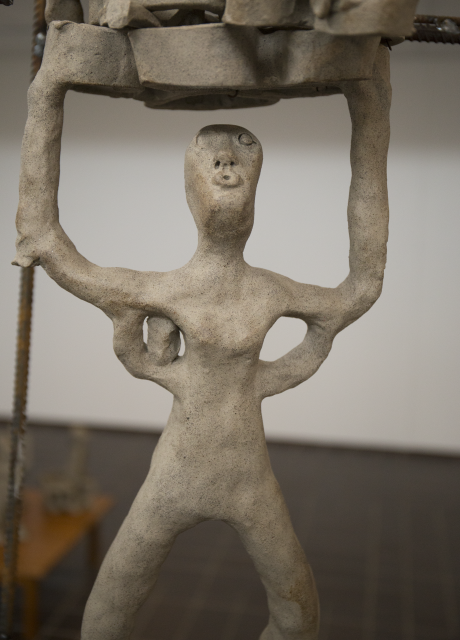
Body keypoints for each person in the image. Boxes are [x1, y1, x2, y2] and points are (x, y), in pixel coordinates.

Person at [14, 44, 391, 640]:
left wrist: (370, 100)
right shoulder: (161, 292)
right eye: (211, 158)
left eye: (241, 154)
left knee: (297, 616)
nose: (226, 165)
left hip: (248, 478)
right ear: (190, 188)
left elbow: (362, 285)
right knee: (108, 611)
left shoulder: (271, 292)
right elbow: (46, 239)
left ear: (257, 187)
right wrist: (48, 88)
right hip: (176, 474)